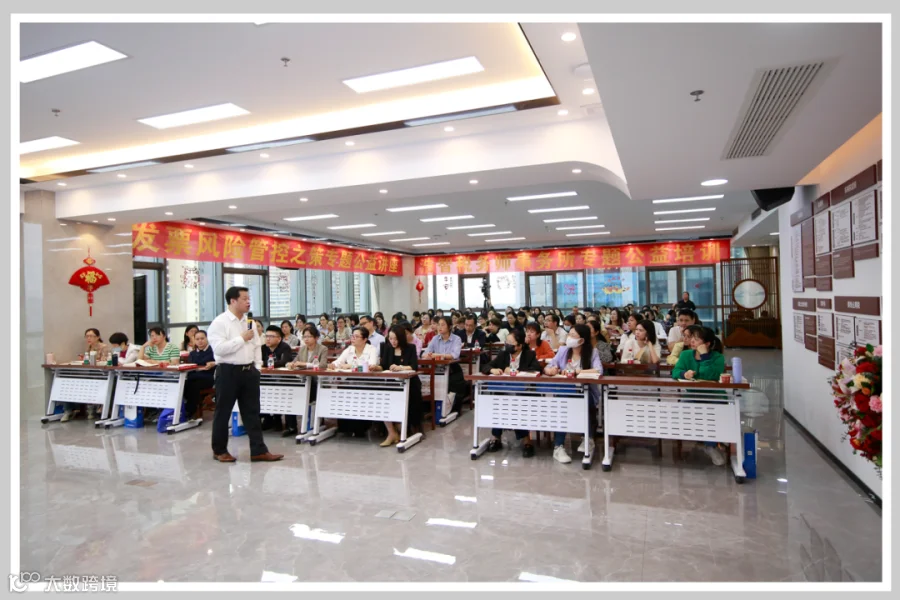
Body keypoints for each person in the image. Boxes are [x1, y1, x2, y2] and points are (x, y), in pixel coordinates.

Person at [207, 286, 283, 463]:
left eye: (249, 298)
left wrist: (257, 367)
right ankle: (219, 450)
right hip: (228, 372)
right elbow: (219, 349)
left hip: (249, 372)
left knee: (252, 412)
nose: (248, 302)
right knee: (223, 412)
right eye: (244, 299)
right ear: (233, 301)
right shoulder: (220, 323)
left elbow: (256, 346)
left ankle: (258, 450)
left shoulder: (249, 323)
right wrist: (241, 338)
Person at [544, 324, 602, 463]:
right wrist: (551, 370)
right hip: (565, 392)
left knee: (586, 401)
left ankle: (588, 439)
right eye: (569, 334)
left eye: (573, 335)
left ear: (582, 340)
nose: (569, 338)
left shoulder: (592, 352)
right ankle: (558, 447)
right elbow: (549, 366)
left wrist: (577, 371)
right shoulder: (563, 350)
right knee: (563, 406)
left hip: (586, 392)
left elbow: (598, 370)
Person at [672, 326, 728, 466]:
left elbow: (710, 375)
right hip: (693, 394)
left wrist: (704, 356)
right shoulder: (686, 355)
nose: (692, 341)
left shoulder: (718, 357)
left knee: (714, 413)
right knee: (684, 411)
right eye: (692, 338)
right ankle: (702, 440)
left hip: (714, 395)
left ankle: (711, 445)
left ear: (707, 343)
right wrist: (684, 374)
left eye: (697, 339)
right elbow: (675, 371)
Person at [481, 328, 542, 457]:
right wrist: (493, 370)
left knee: (517, 406)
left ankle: (526, 440)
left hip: (523, 394)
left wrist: (516, 371)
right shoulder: (503, 354)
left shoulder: (529, 354)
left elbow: (537, 369)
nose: (507, 345)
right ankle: (496, 437)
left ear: (519, 346)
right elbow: (486, 366)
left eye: (510, 343)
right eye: (506, 342)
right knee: (500, 404)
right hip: (504, 393)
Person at [371, 325, 423, 446]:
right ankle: (391, 432)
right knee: (382, 400)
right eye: (390, 338)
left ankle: (402, 430)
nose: (393, 341)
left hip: (409, 384)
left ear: (401, 338)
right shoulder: (387, 348)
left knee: (407, 400)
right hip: (391, 383)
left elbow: (414, 366)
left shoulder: (410, 348)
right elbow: (384, 366)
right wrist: (376, 367)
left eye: (395, 339)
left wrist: (400, 367)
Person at [283, 325, 329, 437]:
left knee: (309, 392)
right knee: (290, 392)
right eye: (304, 337)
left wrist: (305, 364)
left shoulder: (322, 349)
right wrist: (291, 364)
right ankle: (292, 426)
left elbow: (322, 365)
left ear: (316, 337)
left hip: (316, 380)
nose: (306, 339)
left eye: (309, 336)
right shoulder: (302, 349)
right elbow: (295, 361)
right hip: (302, 380)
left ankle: (313, 423)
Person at [61, 328, 109, 422]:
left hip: (101, 374)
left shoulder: (103, 347)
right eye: (87, 336)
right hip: (91, 373)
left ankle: (91, 409)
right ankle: (68, 410)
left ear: (97, 337)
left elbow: (105, 360)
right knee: (69, 382)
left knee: (88, 384)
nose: (88, 338)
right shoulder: (89, 347)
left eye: (91, 336)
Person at [423, 316, 467, 413]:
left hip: (452, 369)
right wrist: (429, 355)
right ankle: (433, 410)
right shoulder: (435, 339)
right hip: (437, 369)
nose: (439, 327)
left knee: (456, 385)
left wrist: (438, 355)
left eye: (443, 325)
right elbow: (425, 353)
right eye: (438, 325)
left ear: (449, 326)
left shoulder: (456, 339)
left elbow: (455, 355)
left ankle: (452, 409)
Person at [183, 330, 215, 418]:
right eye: (197, 339)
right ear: (194, 340)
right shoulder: (192, 353)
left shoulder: (213, 351)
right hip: (193, 377)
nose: (200, 341)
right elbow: (191, 365)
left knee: (193, 385)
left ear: (207, 338)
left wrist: (213, 363)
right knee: (184, 384)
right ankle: (188, 409)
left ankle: (190, 410)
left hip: (208, 377)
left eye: (202, 338)